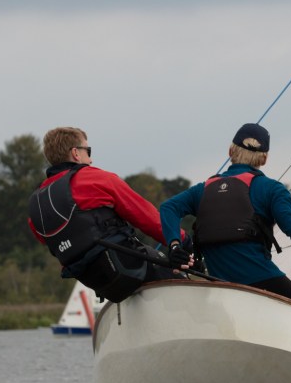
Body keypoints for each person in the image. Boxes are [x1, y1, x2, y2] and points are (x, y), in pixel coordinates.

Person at [160, 123, 291, 308]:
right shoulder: (271, 189)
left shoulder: (202, 190)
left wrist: (175, 246)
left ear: (230, 151)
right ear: (264, 158)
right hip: (260, 279)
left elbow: (168, 208)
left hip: (218, 283)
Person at [28, 127, 184, 302]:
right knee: (177, 275)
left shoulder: (36, 203)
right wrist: (182, 241)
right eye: (88, 151)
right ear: (76, 153)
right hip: (126, 266)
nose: (91, 159)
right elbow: (146, 217)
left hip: (97, 282)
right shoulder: (93, 178)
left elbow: (47, 239)